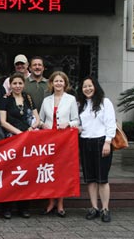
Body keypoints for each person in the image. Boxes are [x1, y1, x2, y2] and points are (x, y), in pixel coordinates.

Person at [0, 73, 40, 219]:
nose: (17, 86)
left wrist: (31, 128)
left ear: (23, 84)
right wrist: (19, 133)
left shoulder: (28, 98)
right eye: (14, 83)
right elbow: (3, 121)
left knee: (26, 173)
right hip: (12, 140)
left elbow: (37, 118)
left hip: (28, 140)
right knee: (10, 173)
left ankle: (24, 207)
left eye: (20, 83)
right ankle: (7, 208)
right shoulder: (5, 100)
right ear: (10, 85)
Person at [39, 71, 79, 218]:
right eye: (56, 81)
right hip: (49, 141)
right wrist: (42, 125)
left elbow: (76, 120)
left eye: (61, 81)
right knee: (49, 171)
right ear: (51, 83)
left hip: (64, 141)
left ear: (65, 83)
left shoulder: (71, 99)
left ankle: (60, 204)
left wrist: (68, 123)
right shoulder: (46, 100)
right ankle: (50, 202)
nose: (58, 84)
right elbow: (39, 119)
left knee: (61, 172)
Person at [77, 76, 116, 223]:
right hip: (85, 142)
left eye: (90, 86)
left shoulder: (105, 102)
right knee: (91, 179)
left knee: (102, 179)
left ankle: (105, 208)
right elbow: (80, 125)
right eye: (84, 87)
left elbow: (111, 124)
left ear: (95, 86)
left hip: (102, 142)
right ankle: (94, 207)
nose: (87, 89)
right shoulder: (80, 104)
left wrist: (107, 142)